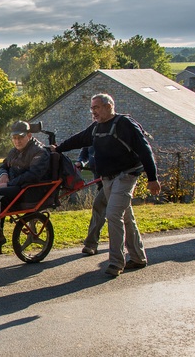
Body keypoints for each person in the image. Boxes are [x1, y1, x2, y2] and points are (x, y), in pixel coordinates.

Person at [54, 93, 161, 276]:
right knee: (126, 217)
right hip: (107, 179)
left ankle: (116, 263)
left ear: (109, 106)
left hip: (126, 176)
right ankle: (137, 257)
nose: (93, 112)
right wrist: (57, 149)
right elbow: (78, 139)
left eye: (96, 107)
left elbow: (145, 150)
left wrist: (152, 178)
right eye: (92, 108)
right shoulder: (96, 128)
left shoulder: (124, 124)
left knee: (113, 214)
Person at [0, 121, 50, 248]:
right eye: (14, 138)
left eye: (20, 137)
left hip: (27, 190)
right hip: (12, 186)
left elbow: (33, 175)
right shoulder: (13, 152)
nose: (17, 141)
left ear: (28, 135)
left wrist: (9, 183)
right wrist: (3, 175)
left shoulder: (39, 152)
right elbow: (2, 167)